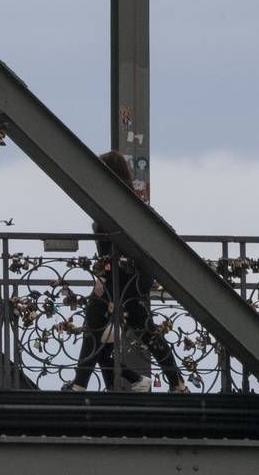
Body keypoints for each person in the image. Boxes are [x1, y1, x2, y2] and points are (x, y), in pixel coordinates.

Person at [68, 151, 189, 394]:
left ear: (110, 173)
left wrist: (109, 271)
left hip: (124, 278)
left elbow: (158, 235)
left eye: (101, 170)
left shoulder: (122, 205)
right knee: (141, 328)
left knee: (98, 325)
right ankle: (169, 383)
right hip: (123, 278)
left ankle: (83, 385)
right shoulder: (124, 204)